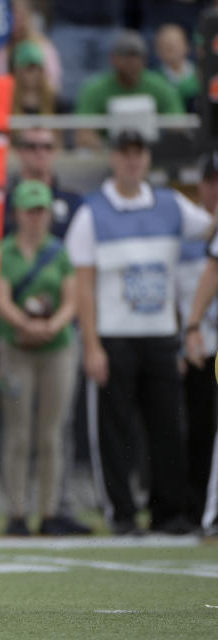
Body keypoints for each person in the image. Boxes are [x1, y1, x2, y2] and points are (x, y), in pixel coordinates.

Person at [65, 129, 212, 535]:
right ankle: (122, 513)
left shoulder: (172, 205)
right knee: (113, 434)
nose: (133, 161)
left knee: (167, 428)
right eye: (125, 153)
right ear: (113, 159)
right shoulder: (92, 213)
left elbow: (210, 229)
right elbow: (84, 287)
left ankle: (169, 513)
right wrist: (92, 345)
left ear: (147, 159)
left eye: (139, 153)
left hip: (161, 335)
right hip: (114, 337)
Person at [0, 180, 84, 536]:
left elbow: (72, 299)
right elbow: (0, 297)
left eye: (41, 211)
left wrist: (51, 326)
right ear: (17, 214)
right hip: (15, 347)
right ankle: (16, 511)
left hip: (56, 347)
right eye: (30, 211)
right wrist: (25, 325)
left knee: (51, 433)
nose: (36, 218)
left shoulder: (58, 251)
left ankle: (48, 512)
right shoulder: (5, 251)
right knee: (17, 433)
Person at [178, 151, 218, 532]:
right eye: (212, 180)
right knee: (198, 430)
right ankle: (199, 511)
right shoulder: (186, 229)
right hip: (198, 344)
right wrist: (187, 333)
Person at [74, 31, 184, 150]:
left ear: (144, 60)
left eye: (136, 56)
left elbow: (178, 126)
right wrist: (116, 153)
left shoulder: (160, 86)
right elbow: (83, 135)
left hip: (151, 155)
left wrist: (151, 152)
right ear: (113, 59)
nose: (132, 63)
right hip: (106, 156)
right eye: (126, 56)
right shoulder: (94, 89)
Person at [5, 128, 83, 239]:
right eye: (31, 147)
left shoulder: (73, 201)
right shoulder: (4, 203)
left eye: (47, 147)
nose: (40, 152)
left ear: (56, 151)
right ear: (18, 151)